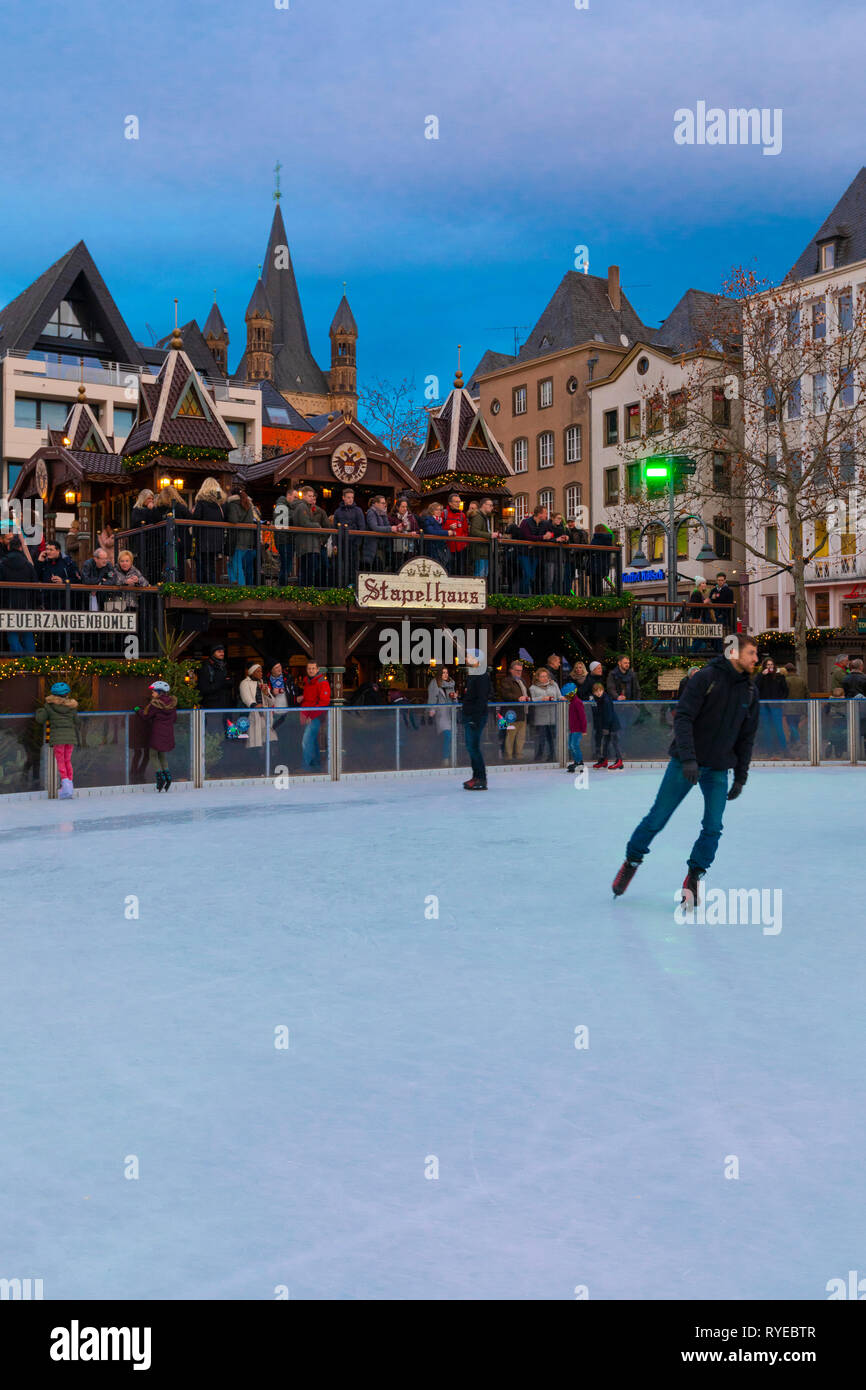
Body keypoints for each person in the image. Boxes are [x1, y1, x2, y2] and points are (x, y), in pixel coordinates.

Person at [612, 634, 760, 903]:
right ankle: (632, 861)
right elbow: (683, 718)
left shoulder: (749, 691)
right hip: (685, 763)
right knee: (658, 817)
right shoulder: (706, 678)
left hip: (717, 769)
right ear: (735, 654)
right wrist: (689, 759)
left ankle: (694, 874)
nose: (756, 659)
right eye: (751, 653)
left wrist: (740, 776)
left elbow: (746, 736)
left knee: (713, 827)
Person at [34, 680, 82, 798]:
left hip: (58, 739)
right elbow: (77, 721)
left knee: (61, 761)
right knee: (67, 761)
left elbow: (40, 719)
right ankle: (69, 786)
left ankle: (65, 785)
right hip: (70, 738)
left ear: (53, 694)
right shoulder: (72, 707)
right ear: (67, 694)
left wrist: (39, 711)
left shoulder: (49, 706)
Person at [0, 532, 37, 651]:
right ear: (21, 548)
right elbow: (35, 584)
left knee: (11, 631)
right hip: (26, 604)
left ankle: (18, 658)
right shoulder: (28, 565)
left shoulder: (2, 564)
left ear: (9, 547)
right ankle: (30, 660)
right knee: (27, 632)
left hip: (8, 603)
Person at [140, 680, 178, 791]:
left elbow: (146, 716)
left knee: (152, 754)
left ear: (159, 692)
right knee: (162, 755)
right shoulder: (172, 704)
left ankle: (160, 777)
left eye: (154, 691)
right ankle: (168, 776)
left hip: (157, 733)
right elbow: (174, 719)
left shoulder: (155, 704)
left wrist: (138, 710)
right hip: (167, 733)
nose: (152, 694)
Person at [461, 648, 491, 789]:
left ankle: (481, 778)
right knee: (471, 747)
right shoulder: (473, 675)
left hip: (475, 716)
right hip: (470, 715)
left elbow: (481, 699)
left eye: (469, 657)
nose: (466, 659)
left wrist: (475, 719)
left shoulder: (482, 676)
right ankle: (476, 776)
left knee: (473, 748)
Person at [191, 479, 226, 584]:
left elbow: (196, 518)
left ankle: (202, 590)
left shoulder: (201, 503)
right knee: (211, 566)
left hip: (202, 539)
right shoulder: (220, 504)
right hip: (216, 540)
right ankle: (212, 589)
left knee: (201, 566)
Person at [224, 486, 261, 586]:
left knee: (236, 565)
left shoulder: (233, 504)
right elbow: (250, 520)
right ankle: (234, 583)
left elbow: (233, 519)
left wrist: (226, 516)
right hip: (247, 539)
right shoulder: (247, 503)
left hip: (236, 539)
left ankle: (241, 588)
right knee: (232, 563)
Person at [298, 660, 331, 770]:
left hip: (315, 716)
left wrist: (311, 716)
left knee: (306, 741)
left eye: (313, 668)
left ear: (317, 670)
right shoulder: (308, 682)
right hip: (306, 715)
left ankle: (305, 767)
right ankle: (316, 765)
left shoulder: (322, 682)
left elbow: (324, 702)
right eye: (309, 668)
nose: (311, 670)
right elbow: (309, 699)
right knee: (312, 740)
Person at [154, 485, 192, 579]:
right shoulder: (180, 507)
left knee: (168, 562)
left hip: (164, 539)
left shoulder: (158, 508)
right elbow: (190, 519)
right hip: (180, 539)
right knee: (180, 564)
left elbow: (153, 521)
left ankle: (170, 582)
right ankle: (180, 584)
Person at [294, 486, 328, 586]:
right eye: (309, 496)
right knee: (308, 570)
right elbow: (304, 523)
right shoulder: (302, 507)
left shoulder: (305, 507)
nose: (311, 498)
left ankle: (306, 590)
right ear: (303, 496)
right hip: (307, 543)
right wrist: (318, 526)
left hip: (309, 543)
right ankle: (306, 591)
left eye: (312, 496)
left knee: (308, 569)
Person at [332, 487, 366, 582]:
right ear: (343, 497)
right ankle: (341, 587)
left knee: (353, 566)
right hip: (341, 543)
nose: (350, 499)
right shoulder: (338, 511)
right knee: (341, 567)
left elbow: (362, 527)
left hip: (354, 544)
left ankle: (352, 586)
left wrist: (357, 543)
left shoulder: (358, 511)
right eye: (348, 497)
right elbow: (334, 529)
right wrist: (334, 544)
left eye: (352, 497)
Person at [498, 658, 530, 761]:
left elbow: (527, 693)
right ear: (511, 670)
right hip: (510, 714)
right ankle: (508, 757)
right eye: (517, 670)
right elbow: (505, 694)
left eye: (520, 670)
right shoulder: (506, 681)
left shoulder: (522, 681)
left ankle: (519, 756)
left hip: (522, 712)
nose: (519, 672)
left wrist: (528, 698)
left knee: (521, 737)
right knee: (509, 736)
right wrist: (518, 698)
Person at [518, 505, 554, 594]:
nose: (547, 515)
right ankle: (524, 598)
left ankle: (529, 596)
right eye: (545, 513)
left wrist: (553, 536)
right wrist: (542, 537)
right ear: (539, 514)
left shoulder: (545, 524)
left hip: (536, 554)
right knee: (527, 575)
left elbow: (551, 534)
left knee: (532, 576)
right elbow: (527, 537)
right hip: (524, 553)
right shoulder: (525, 522)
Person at [239, 661, 276, 749]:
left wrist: (266, 693)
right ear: (252, 672)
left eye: (261, 671)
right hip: (253, 716)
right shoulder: (245, 683)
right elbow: (246, 698)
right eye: (258, 671)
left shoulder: (262, 683)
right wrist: (254, 705)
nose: (261, 673)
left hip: (265, 717)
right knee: (255, 742)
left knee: (269, 742)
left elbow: (272, 702)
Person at [756, 658, 788, 756]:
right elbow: (755, 686)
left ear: (774, 666)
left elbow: (785, 691)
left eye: (771, 664)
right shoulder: (761, 676)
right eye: (767, 665)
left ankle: (784, 750)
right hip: (764, 706)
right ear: (764, 666)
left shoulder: (779, 677)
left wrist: (780, 700)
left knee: (779, 728)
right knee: (767, 728)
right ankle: (769, 750)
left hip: (775, 706)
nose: (770, 666)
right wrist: (762, 675)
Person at [529, 666, 561, 762]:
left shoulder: (553, 685)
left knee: (551, 738)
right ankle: (539, 756)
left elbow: (559, 696)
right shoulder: (533, 688)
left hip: (553, 716)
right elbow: (531, 700)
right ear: (537, 677)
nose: (545, 678)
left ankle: (552, 755)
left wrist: (562, 698)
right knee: (541, 738)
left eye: (546, 676)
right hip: (540, 717)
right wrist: (542, 699)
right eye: (542, 676)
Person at [426, 665, 456, 764]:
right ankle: (446, 757)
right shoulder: (435, 683)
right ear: (440, 674)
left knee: (450, 735)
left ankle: (450, 756)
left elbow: (454, 701)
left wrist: (455, 697)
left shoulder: (451, 684)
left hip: (450, 713)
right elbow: (432, 698)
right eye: (443, 672)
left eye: (447, 672)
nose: (445, 674)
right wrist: (432, 709)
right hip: (440, 713)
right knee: (447, 734)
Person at [591, 681, 623, 769]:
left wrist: (605, 728)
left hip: (612, 725)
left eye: (600, 691)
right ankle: (604, 761)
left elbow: (608, 715)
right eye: (596, 691)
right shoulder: (596, 700)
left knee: (615, 743)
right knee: (605, 743)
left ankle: (619, 761)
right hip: (605, 725)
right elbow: (597, 715)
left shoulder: (606, 700)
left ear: (603, 690)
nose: (598, 693)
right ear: (594, 692)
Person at [468, 497, 498, 579]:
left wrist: (492, 534)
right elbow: (474, 531)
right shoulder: (478, 516)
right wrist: (490, 535)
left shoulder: (484, 516)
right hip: (479, 551)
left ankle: (482, 592)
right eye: (490, 505)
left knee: (484, 574)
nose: (492, 507)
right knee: (480, 575)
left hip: (483, 551)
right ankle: (477, 592)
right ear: (484, 505)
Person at [362, 495, 394, 571]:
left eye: (385, 503)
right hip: (371, 545)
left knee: (379, 568)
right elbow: (374, 527)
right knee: (372, 569)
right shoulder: (371, 512)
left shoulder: (382, 513)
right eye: (382, 503)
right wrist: (390, 528)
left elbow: (387, 525)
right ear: (376, 503)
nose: (385, 505)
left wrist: (394, 528)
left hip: (380, 546)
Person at [782, 661, 809, 748]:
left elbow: (782, 694)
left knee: (791, 724)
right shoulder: (801, 680)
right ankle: (793, 742)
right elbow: (807, 694)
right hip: (800, 706)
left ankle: (797, 741)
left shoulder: (785, 680)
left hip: (788, 707)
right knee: (796, 724)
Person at [197, 643, 231, 710]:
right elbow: (204, 688)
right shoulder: (206, 667)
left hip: (225, 703)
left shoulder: (223, 665)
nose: (222, 653)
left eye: (223, 651)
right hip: (211, 704)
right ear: (213, 653)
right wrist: (222, 683)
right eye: (219, 651)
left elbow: (227, 680)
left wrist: (229, 682)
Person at [442, 492, 469, 574]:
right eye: (456, 502)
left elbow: (465, 531)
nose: (458, 504)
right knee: (448, 570)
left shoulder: (462, 515)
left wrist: (464, 543)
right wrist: (448, 528)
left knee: (460, 570)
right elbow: (440, 529)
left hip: (460, 548)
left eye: (459, 502)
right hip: (448, 547)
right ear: (450, 503)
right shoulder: (444, 514)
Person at [419, 502, 449, 567]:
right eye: (436, 510)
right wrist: (447, 532)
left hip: (439, 548)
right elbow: (431, 531)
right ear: (432, 511)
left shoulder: (441, 521)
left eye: (440, 510)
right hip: (431, 548)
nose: (439, 511)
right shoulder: (428, 519)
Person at [588, 523, 614, 596]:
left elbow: (591, 548)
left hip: (596, 564)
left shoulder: (597, 538)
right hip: (604, 564)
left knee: (595, 584)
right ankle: (598, 598)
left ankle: (596, 599)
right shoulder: (608, 539)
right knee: (598, 583)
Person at [566, 686, 588, 772]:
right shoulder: (572, 702)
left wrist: (584, 729)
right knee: (571, 745)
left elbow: (582, 717)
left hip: (578, 729)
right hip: (573, 729)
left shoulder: (577, 702)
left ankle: (580, 763)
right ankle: (576, 762)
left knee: (574, 745)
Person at [265, 661, 290, 728]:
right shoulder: (266, 680)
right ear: (272, 670)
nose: (279, 669)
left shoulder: (288, 677)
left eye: (280, 666)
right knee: (274, 732)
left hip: (287, 712)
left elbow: (293, 691)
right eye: (276, 667)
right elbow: (265, 695)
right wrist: (272, 693)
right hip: (273, 713)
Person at [825, 688, 848, 758]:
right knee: (843, 733)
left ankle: (830, 743)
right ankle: (842, 746)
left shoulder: (829, 702)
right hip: (843, 721)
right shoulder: (847, 701)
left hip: (833, 721)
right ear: (843, 694)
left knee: (832, 733)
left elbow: (826, 712)